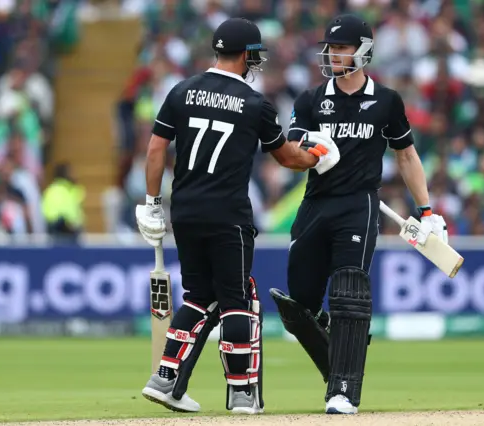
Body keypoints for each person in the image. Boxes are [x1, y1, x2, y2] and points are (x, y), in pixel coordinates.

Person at [135, 17, 341, 415]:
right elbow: (286, 157)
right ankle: (242, 393)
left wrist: (152, 203)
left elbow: (155, 149)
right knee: (237, 300)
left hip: (187, 211)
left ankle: (165, 378)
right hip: (228, 214)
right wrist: (318, 155)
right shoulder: (254, 104)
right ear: (246, 55)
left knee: (198, 298)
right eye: (255, 56)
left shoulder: (181, 90)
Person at [270, 14, 448, 415]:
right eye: (330, 48)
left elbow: (406, 155)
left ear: (363, 51)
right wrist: (314, 152)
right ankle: (341, 353)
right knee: (300, 305)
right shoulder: (310, 100)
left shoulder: (386, 101)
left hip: (359, 205)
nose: (333, 54)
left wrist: (427, 211)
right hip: (315, 204)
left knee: (349, 291)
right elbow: (292, 155)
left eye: (341, 48)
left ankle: (343, 391)